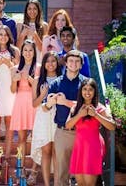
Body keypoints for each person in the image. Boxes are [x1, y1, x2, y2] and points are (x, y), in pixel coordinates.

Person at [43, 50, 87, 186]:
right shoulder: (56, 83)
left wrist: (65, 102)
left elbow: (88, 107)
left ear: (81, 65)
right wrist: (50, 103)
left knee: (81, 173)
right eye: (71, 61)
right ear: (66, 64)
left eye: (77, 61)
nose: (74, 64)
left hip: (82, 132)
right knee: (61, 173)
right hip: (62, 132)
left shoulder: (86, 83)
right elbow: (45, 107)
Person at [66, 78, 115, 186]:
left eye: (90, 89)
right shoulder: (75, 108)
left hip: (93, 147)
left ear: (95, 91)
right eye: (84, 89)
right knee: (81, 183)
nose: (87, 92)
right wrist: (80, 114)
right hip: (79, 148)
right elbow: (68, 125)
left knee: (89, 184)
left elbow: (112, 126)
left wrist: (96, 115)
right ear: (81, 91)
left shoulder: (100, 108)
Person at [30, 51, 61, 186]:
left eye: (53, 61)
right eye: (48, 61)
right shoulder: (38, 80)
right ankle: (47, 184)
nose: (50, 64)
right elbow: (34, 104)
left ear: (57, 63)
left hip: (58, 115)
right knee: (46, 151)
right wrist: (43, 94)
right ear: (44, 64)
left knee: (57, 151)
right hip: (42, 116)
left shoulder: (62, 78)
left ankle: (58, 183)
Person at [0, 25, 19, 160]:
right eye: (0, 34)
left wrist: (8, 63)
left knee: (9, 124)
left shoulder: (15, 51)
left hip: (10, 90)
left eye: (5, 35)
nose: (3, 37)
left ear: (9, 37)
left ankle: (7, 155)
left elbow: (17, 71)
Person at [10, 39, 37, 167]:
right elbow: (13, 90)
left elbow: (39, 89)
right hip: (20, 103)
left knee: (36, 138)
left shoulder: (39, 67)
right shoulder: (15, 68)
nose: (28, 53)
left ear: (34, 52)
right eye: (25, 50)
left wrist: (29, 78)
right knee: (21, 138)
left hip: (34, 104)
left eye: (30, 50)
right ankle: (20, 168)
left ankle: (34, 168)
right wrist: (15, 81)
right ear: (21, 52)